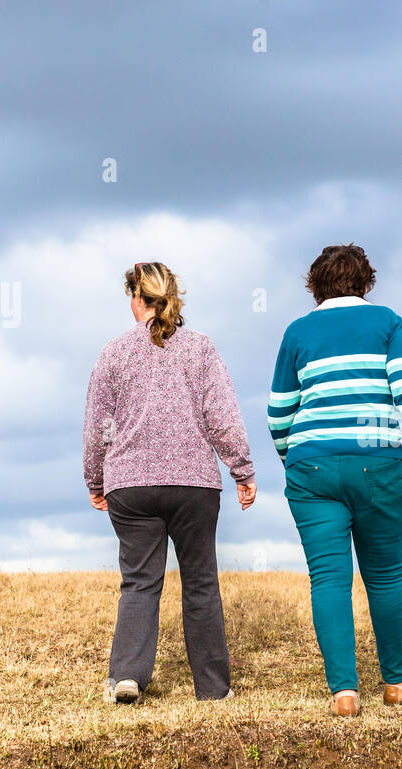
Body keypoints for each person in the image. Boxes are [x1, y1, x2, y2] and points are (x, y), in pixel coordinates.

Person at [268, 244, 402, 716]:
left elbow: (279, 411)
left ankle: (344, 692)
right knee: (384, 573)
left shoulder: (297, 331)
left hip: (311, 466)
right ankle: (398, 681)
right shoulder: (386, 322)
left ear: (315, 286)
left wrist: (294, 460)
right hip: (377, 463)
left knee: (328, 578)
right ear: (366, 282)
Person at [83, 261, 256, 704]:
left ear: (136, 299)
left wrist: (95, 478)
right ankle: (214, 690)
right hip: (194, 484)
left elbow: (98, 426)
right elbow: (222, 418)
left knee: (139, 581)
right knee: (201, 581)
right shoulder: (201, 349)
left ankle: (127, 676)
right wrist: (242, 469)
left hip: (130, 485)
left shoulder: (113, 352)